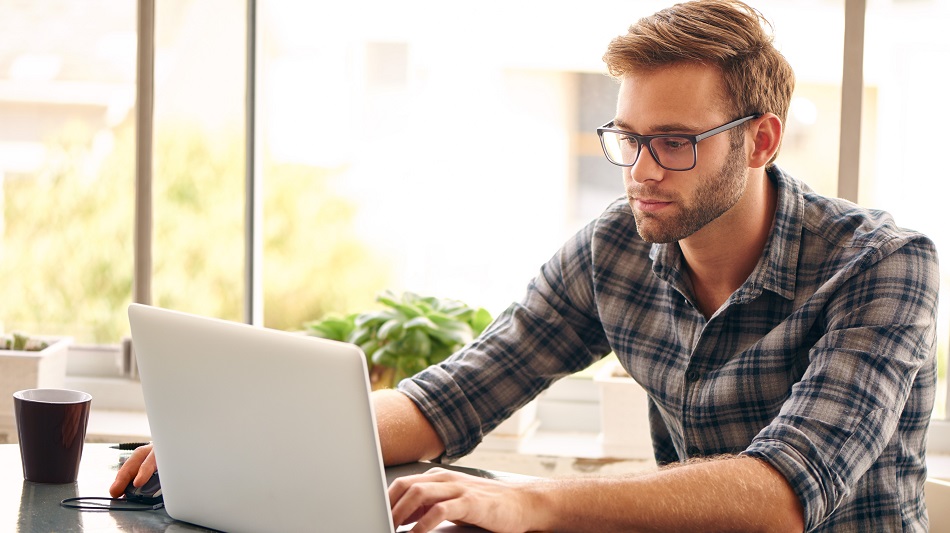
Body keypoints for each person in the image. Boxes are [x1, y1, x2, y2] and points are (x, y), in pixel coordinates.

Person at [112, 1, 939, 531]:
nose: (642, 170)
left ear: (760, 140)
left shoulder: (884, 267)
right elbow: (454, 394)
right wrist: (237, 437)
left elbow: (782, 493)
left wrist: (529, 498)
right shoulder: (615, 248)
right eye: (627, 137)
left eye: (676, 143)